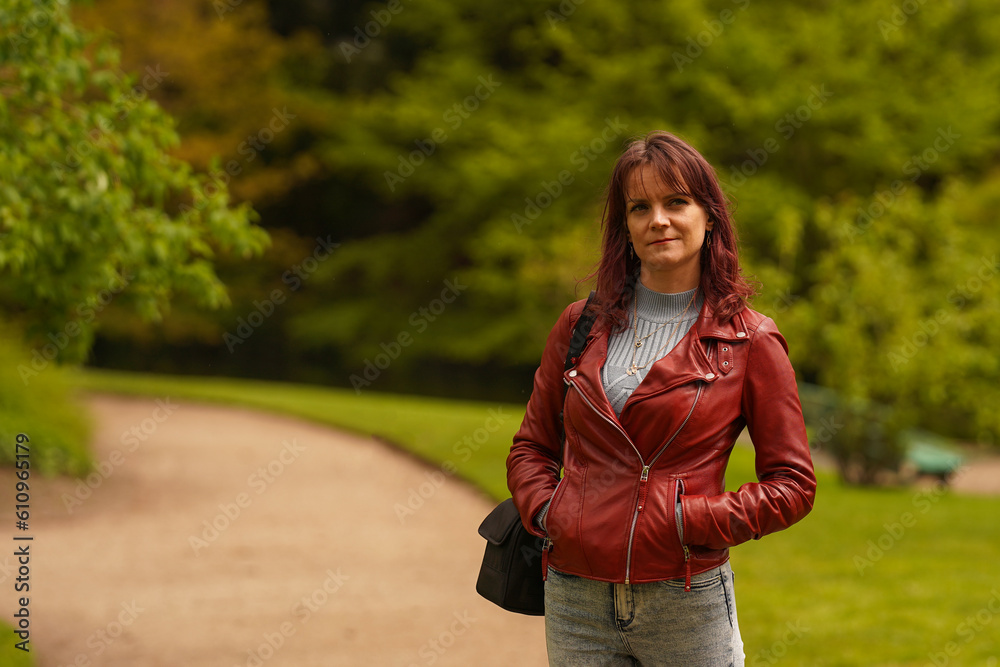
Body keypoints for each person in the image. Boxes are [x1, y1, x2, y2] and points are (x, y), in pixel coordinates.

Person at [506, 130, 817, 666]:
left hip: (686, 599)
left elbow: (793, 485)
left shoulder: (750, 340)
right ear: (625, 227)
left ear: (709, 215)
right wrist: (550, 512)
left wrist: (687, 520)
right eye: (639, 207)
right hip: (574, 596)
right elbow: (531, 448)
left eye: (677, 202)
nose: (658, 220)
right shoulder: (579, 324)